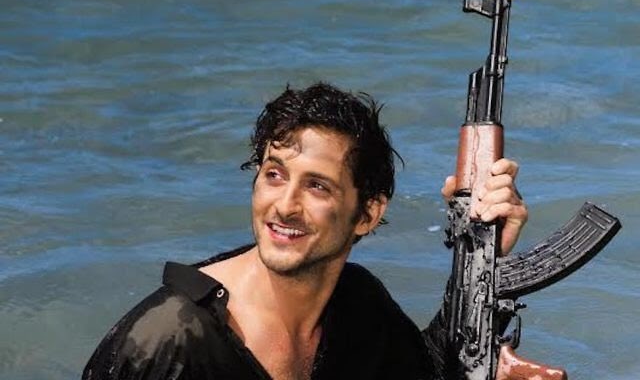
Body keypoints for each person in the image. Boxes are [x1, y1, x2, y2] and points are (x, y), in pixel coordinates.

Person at [82, 83, 527, 379]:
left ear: (368, 213)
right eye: (274, 175)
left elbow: (435, 372)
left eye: (317, 186)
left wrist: (482, 258)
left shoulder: (356, 308)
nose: (285, 206)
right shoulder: (166, 341)